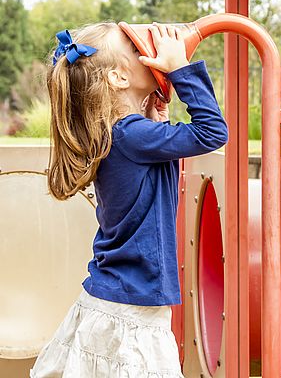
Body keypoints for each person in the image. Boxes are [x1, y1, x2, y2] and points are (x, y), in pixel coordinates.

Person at [30, 21, 229, 377]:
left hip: (114, 297)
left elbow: (150, 184)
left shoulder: (120, 135)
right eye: (138, 50)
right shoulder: (133, 136)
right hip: (133, 304)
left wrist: (158, 121)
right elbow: (213, 131)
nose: (149, 52)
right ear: (119, 78)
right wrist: (180, 69)